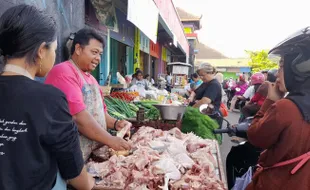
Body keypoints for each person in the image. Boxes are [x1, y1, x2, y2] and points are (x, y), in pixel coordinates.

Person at [0, 5, 94, 190]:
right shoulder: (50, 98)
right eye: (54, 49)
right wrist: (89, 182)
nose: (54, 56)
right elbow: (75, 174)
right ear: (42, 50)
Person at [45, 28, 131, 161]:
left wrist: (116, 124)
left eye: (100, 54)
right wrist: (111, 140)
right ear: (78, 49)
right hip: (67, 159)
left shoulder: (92, 80)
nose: (98, 58)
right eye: (94, 52)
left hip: (88, 157)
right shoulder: (64, 72)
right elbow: (78, 117)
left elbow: (101, 115)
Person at [246, 27, 310, 190]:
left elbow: (256, 137)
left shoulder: (287, 107)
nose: (277, 74)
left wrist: (270, 100)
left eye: (282, 66)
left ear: (299, 68)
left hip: (277, 182)